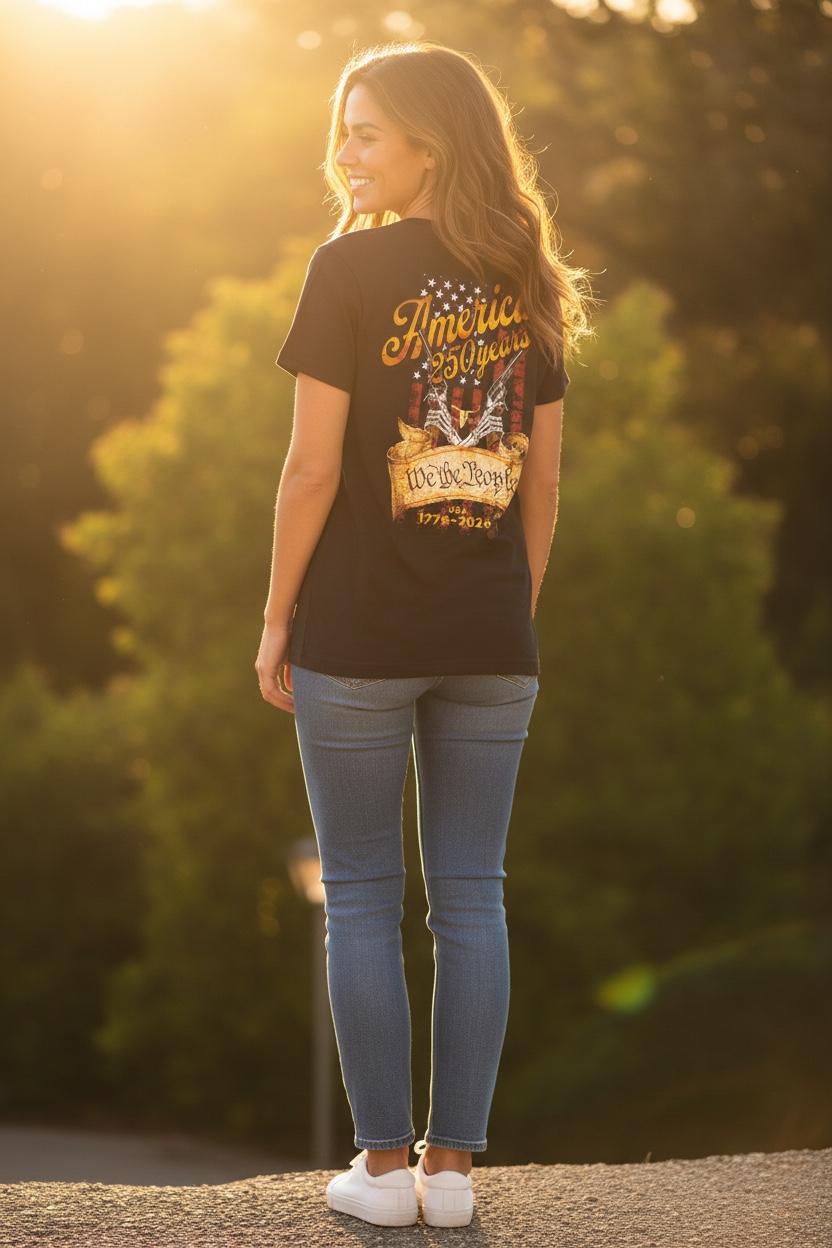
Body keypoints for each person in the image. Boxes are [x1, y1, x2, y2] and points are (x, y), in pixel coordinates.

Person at [255, 40, 590, 1228]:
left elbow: (308, 471)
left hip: (357, 636)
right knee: (470, 898)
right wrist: (508, 610)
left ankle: (384, 1171)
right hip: (491, 635)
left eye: (365, 134)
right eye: (342, 132)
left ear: (429, 148)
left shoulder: (347, 270)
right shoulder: (527, 278)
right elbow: (542, 484)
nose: (342, 154)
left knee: (359, 895)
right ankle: (453, 1177)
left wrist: (276, 617)